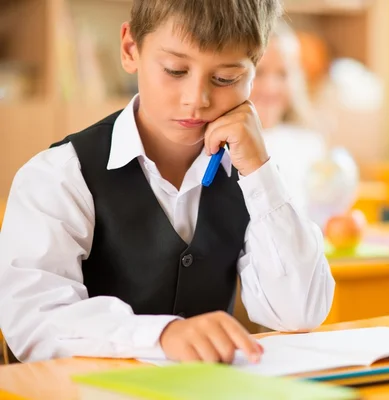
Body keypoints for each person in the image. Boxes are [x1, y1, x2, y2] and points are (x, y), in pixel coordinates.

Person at [0, 0, 335, 364]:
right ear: (131, 49)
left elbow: (299, 313)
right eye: (176, 71)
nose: (197, 99)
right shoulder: (60, 176)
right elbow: (35, 320)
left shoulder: (253, 180)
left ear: (255, 70)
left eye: (225, 78)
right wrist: (161, 336)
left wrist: (259, 171)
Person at [249, 22, 328, 216]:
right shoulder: (222, 147)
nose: (271, 87)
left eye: (282, 74)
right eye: (259, 73)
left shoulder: (309, 144)